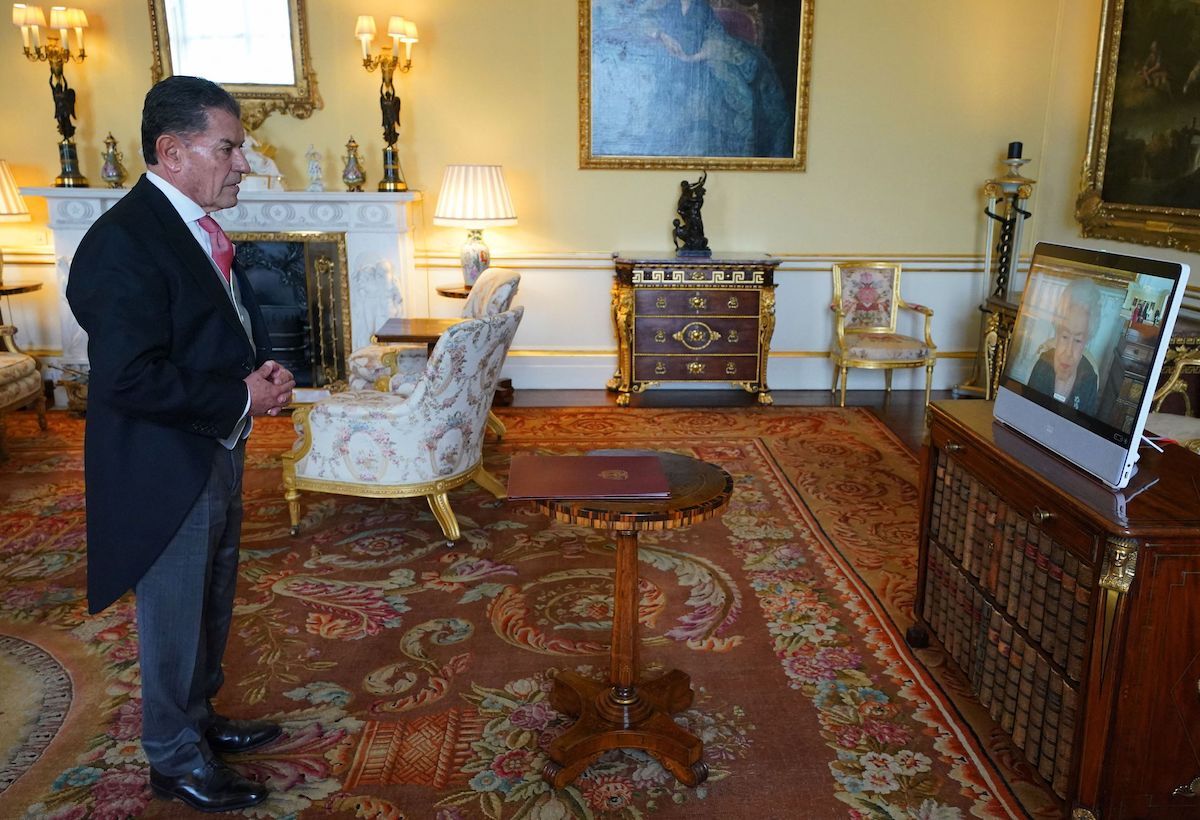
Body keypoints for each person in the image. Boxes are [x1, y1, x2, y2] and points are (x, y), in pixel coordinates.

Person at [65, 76, 295, 813]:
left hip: (209, 446)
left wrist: (251, 369)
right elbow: (128, 377)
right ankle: (172, 758)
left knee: (210, 598)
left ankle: (198, 721)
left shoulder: (189, 224)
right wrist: (239, 397)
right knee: (172, 614)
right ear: (172, 151)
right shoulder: (123, 241)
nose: (242, 163)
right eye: (228, 147)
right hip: (162, 467)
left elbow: (202, 329)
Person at [1027, 278, 1102, 414]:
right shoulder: (1041, 366)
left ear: (1087, 340)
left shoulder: (1089, 380)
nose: (1068, 352)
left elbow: (1083, 430)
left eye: (1078, 340)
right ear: (1057, 333)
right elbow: (1026, 414)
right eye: (1065, 337)